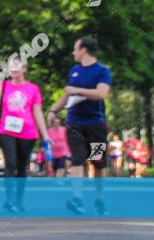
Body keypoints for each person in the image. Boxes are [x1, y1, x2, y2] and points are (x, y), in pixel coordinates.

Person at [46, 36, 112, 216]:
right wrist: (53, 111)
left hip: (96, 125)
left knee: (98, 163)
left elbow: (101, 93)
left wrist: (77, 90)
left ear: (83, 50)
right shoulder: (74, 71)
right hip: (74, 123)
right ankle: (77, 199)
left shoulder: (102, 71)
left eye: (75, 48)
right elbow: (68, 95)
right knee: (77, 159)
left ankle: (100, 199)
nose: (73, 52)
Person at [0, 57, 50, 212]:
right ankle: (9, 199)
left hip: (28, 132)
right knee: (11, 163)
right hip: (6, 130)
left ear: (24, 69)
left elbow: (37, 112)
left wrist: (45, 135)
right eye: (11, 67)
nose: (14, 69)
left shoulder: (33, 89)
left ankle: (19, 199)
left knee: (22, 166)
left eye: (17, 66)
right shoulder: (3, 86)